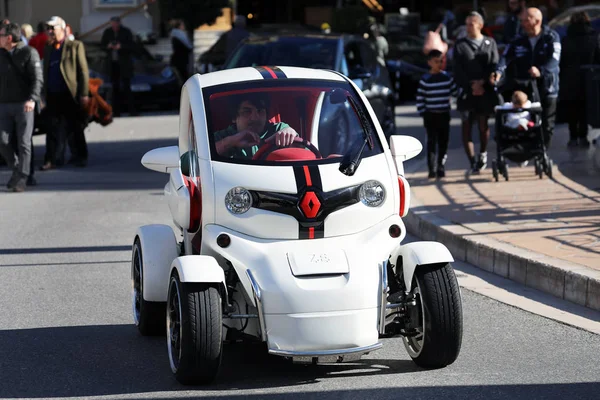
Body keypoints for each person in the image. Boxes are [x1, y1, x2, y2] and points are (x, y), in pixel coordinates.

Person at [496, 7, 561, 148]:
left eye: (526, 20)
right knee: (526, 120)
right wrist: (499, 71)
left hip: (547, 86)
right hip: (525, 87)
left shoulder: (551, 37)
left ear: (537, 21)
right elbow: (506, 57)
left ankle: (543, 151)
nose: (522, 23)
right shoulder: (518, 39)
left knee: (547, 123)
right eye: (522, 20)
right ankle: (527, 149)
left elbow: (554, 60)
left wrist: (541, 70)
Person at [453, 11, 500, 174]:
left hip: (485, 91)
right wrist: (471, 84)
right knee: (466, 126)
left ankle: (482, 154)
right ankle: (472, 161)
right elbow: (457, 69)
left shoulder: (490, 42)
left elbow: (494, 64)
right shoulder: (460, 45)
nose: (468, 27)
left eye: (471, 24)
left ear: (479, 25)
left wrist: (484, 82)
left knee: (483, 124)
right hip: (467, 92)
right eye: (466, 24)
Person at [41, 16, 90, 170]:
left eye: (52, 28)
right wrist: (43, 95)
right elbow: (45, 72)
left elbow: (83, 71)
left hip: (70, 94)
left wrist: (84, 93)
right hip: (53, 94)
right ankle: (52, 159)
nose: (49, 31)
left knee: (75, 127)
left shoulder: (74, 46)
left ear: (61, 29)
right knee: (52, 129)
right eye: (48, 28)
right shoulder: (48, 48)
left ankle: (80, 157)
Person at [0, 22, 43, 192]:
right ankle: (18, 169)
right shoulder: (1, 55)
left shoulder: (29, 52)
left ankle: (22, 178)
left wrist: (32, 99)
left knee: (24, 142)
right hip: (3, 105)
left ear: (9, 38)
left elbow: (37, 79)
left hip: (24, 105)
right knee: (2, 141)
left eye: (1, 35)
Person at [559, 11, 600, 148]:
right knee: (584, 108)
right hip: (589, 78)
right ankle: (583, 136)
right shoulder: (594, 37)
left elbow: (561, 61)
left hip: (569, 78)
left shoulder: (565, 39)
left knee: (572, 108)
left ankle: (573, 137)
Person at [214, 93, 298, 159]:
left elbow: (304, 155)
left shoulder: (278, 129)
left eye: (260, 111)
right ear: (234, 117)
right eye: (247, 112)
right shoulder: (221, 136)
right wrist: (230, 142)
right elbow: (203, 156)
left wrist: (290, 134)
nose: (255, 118)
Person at [417, 50, 458, 179]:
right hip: (431, 115)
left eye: (441, 61)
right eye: (436, 61)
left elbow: (455, 92)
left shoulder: (447, 78)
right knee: (431, 142)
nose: (439, 64)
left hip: (444, 114)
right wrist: (424, 113)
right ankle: (431, 168)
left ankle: (441, 165)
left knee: (443, 142)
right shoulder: (425, 80)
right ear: (429, 63)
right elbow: (420, 98)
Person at [100, 16, 135, 117]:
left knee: (127, 88)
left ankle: (131, 111)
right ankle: (116, 111)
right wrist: (109, 47)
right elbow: (102, 46)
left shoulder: (126, 32)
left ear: (119, 23)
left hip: (124, 64)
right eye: (113, 24)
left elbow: (132, 46)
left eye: (116, 24)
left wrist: (121, 47)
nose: (114, 26)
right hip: (113, 64)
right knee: (115, 89)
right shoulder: (108, 32)